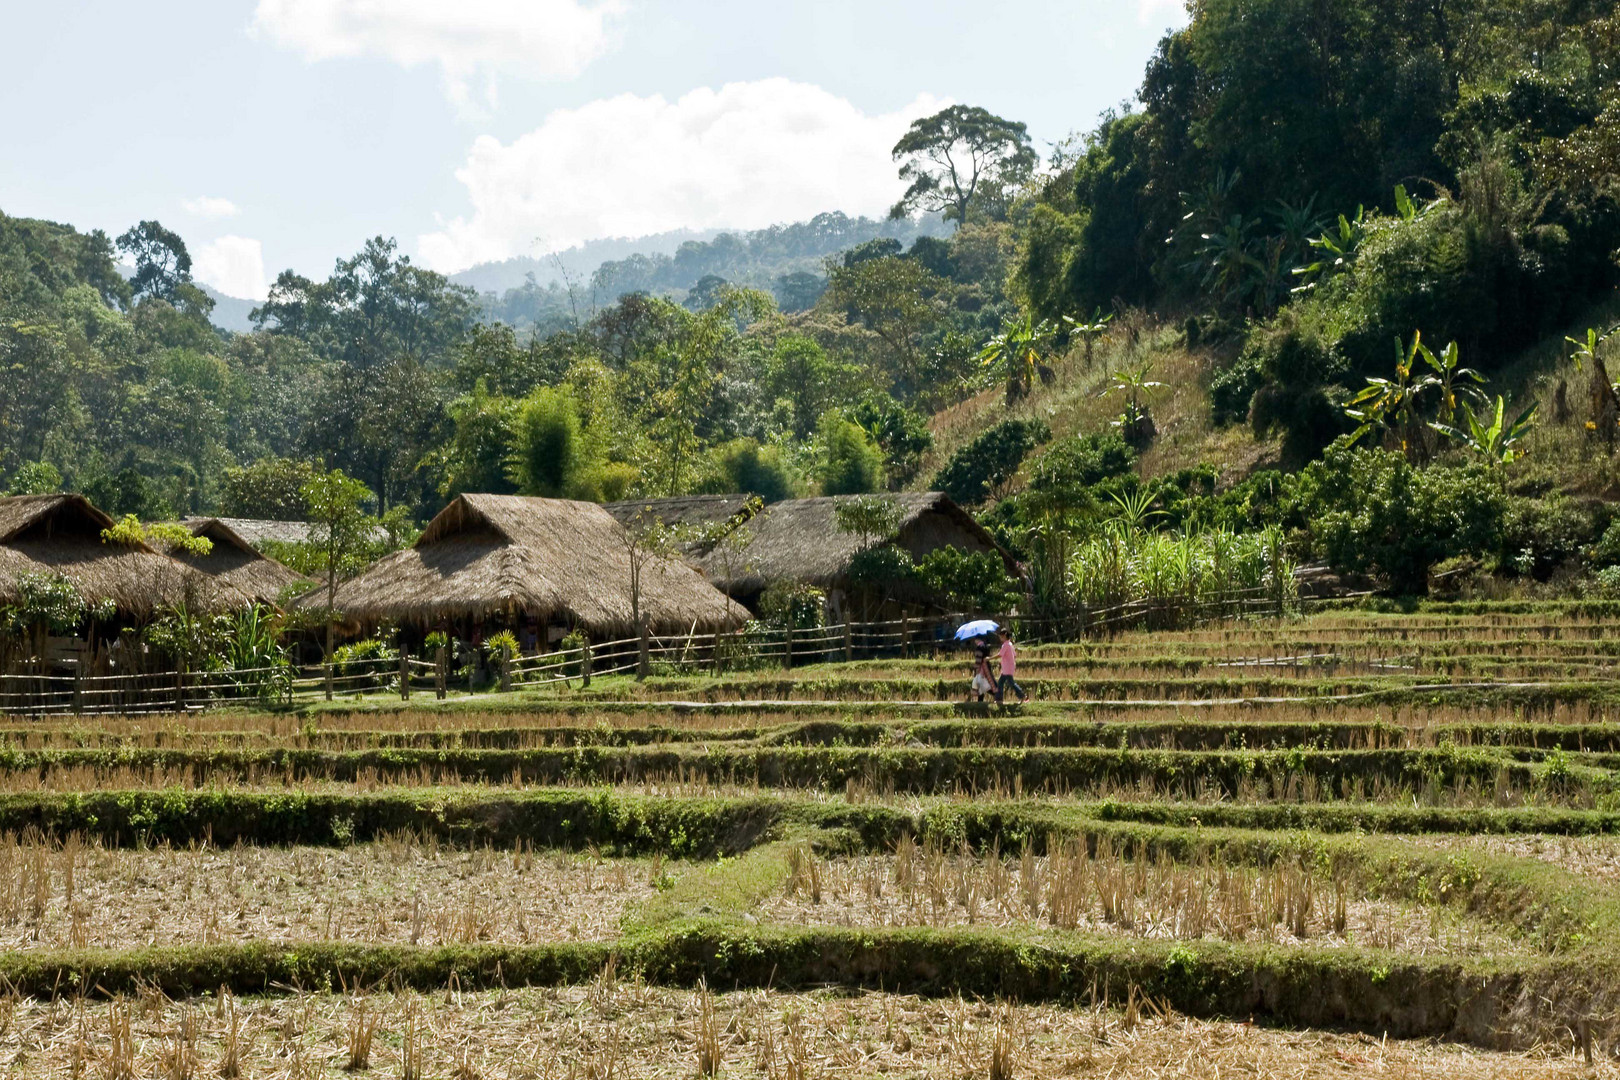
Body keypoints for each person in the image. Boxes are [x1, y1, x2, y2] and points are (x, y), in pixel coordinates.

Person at [995, 625, 1027, 705]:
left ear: (1004, 636)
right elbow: (1014, 655)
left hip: (1007, 668)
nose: (1000, 638)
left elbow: (1000, 655)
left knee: (1010, 683)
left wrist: (989, 658)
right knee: (1001, 683)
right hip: (1008, 667)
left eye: (1001, 637)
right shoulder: (1010, 644)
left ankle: (1022, 695)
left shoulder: (1006, 645)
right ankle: (999, 699)